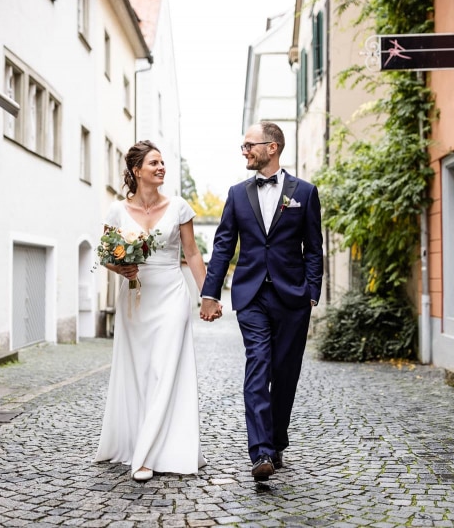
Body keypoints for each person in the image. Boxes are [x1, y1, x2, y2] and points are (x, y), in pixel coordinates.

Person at [200, 121, 323, 482]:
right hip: (251, 294)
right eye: (243, 146)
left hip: (292, 297)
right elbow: (224, 245)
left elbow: (314, 248)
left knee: (285, 372)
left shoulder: (305, 192)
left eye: (249, 145)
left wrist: (311, 293)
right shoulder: (237, 194)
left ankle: (277, 439)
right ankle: (261, 453)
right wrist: (210, 292)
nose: (244, 151)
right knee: (258, 365)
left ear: (272, 147)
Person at [95, 140, 210, 481]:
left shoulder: (179, 206)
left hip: (172, 295)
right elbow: (106, 256)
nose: (161, 168)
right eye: (154, 163)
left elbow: (192, 254)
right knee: (140, 371)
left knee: (165, 369)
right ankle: (137, 441)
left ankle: (146, 455)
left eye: (163, 163)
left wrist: (208, 295)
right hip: (135, 298)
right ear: (136, 171)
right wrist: (122, 269)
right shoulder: (117, 211)